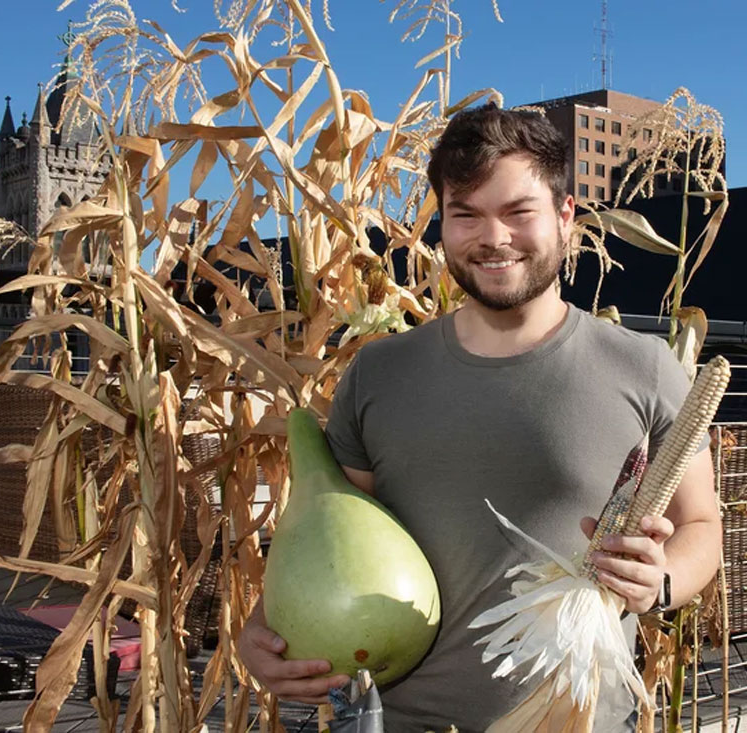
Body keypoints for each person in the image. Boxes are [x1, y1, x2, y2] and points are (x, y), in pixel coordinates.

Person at [238, 104, 722, 732]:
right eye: (466, 215)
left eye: (518, 212)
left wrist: (663, 579)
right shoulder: (379, 374)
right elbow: (329, 530)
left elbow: (702, 523)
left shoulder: (646, 368)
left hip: (579, 722)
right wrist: (264, 630)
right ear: (443, 225)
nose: (493, 238)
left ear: (565, 215)